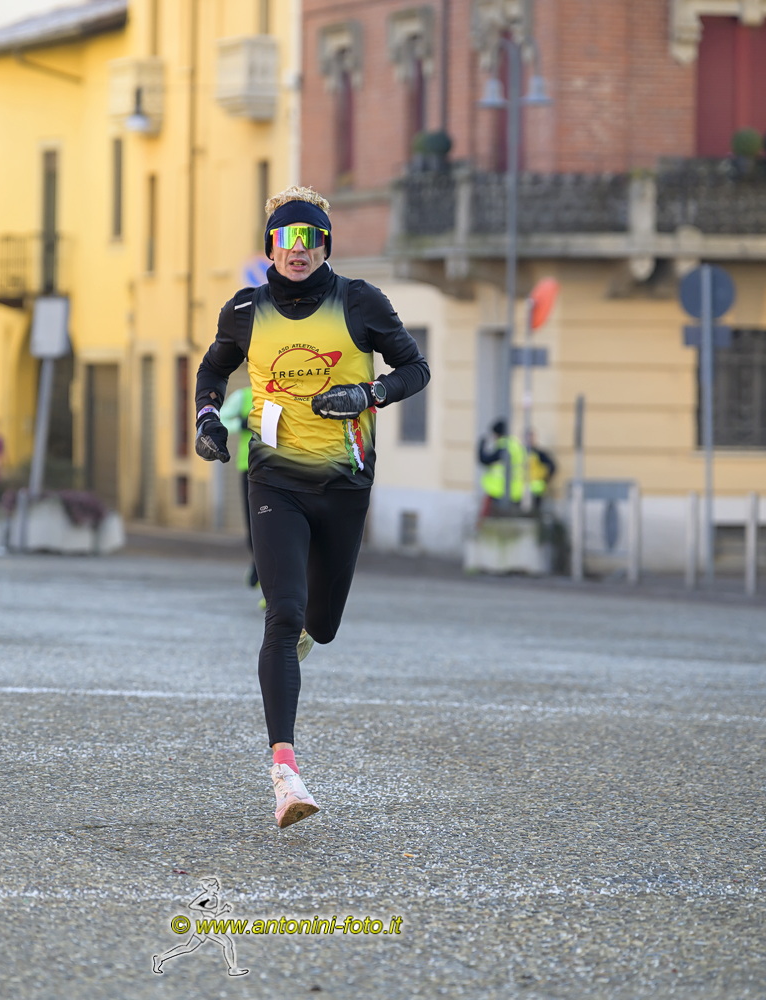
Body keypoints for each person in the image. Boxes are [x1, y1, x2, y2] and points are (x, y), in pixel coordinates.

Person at [193, 186, 430, 828]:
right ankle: (285, 774)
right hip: (274, 481)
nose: (297, 251)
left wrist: (369, 394)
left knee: (320, 625)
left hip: (345, 484)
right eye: (286, 239)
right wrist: (208, 420)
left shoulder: (359, 301)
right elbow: (211, 372)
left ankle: (300, 641)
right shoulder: (245, 310)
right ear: (270, 246)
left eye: (310, 239)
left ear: (325, 245)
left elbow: (416, 369)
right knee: (283, 615)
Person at [218, 384, 259, 590]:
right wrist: (241, 424)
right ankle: (257, 564)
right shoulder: (243, 397)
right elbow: (220, 419)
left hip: (284, 467)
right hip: (249, 468)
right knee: (253, 523)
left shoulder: (290, 393)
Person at [478, 420, 557, 517]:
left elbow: (485, 460)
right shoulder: (517, 447)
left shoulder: (506, 447)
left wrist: (481, 445)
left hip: (503, 489)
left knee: (500, 516)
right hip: (517, 490)